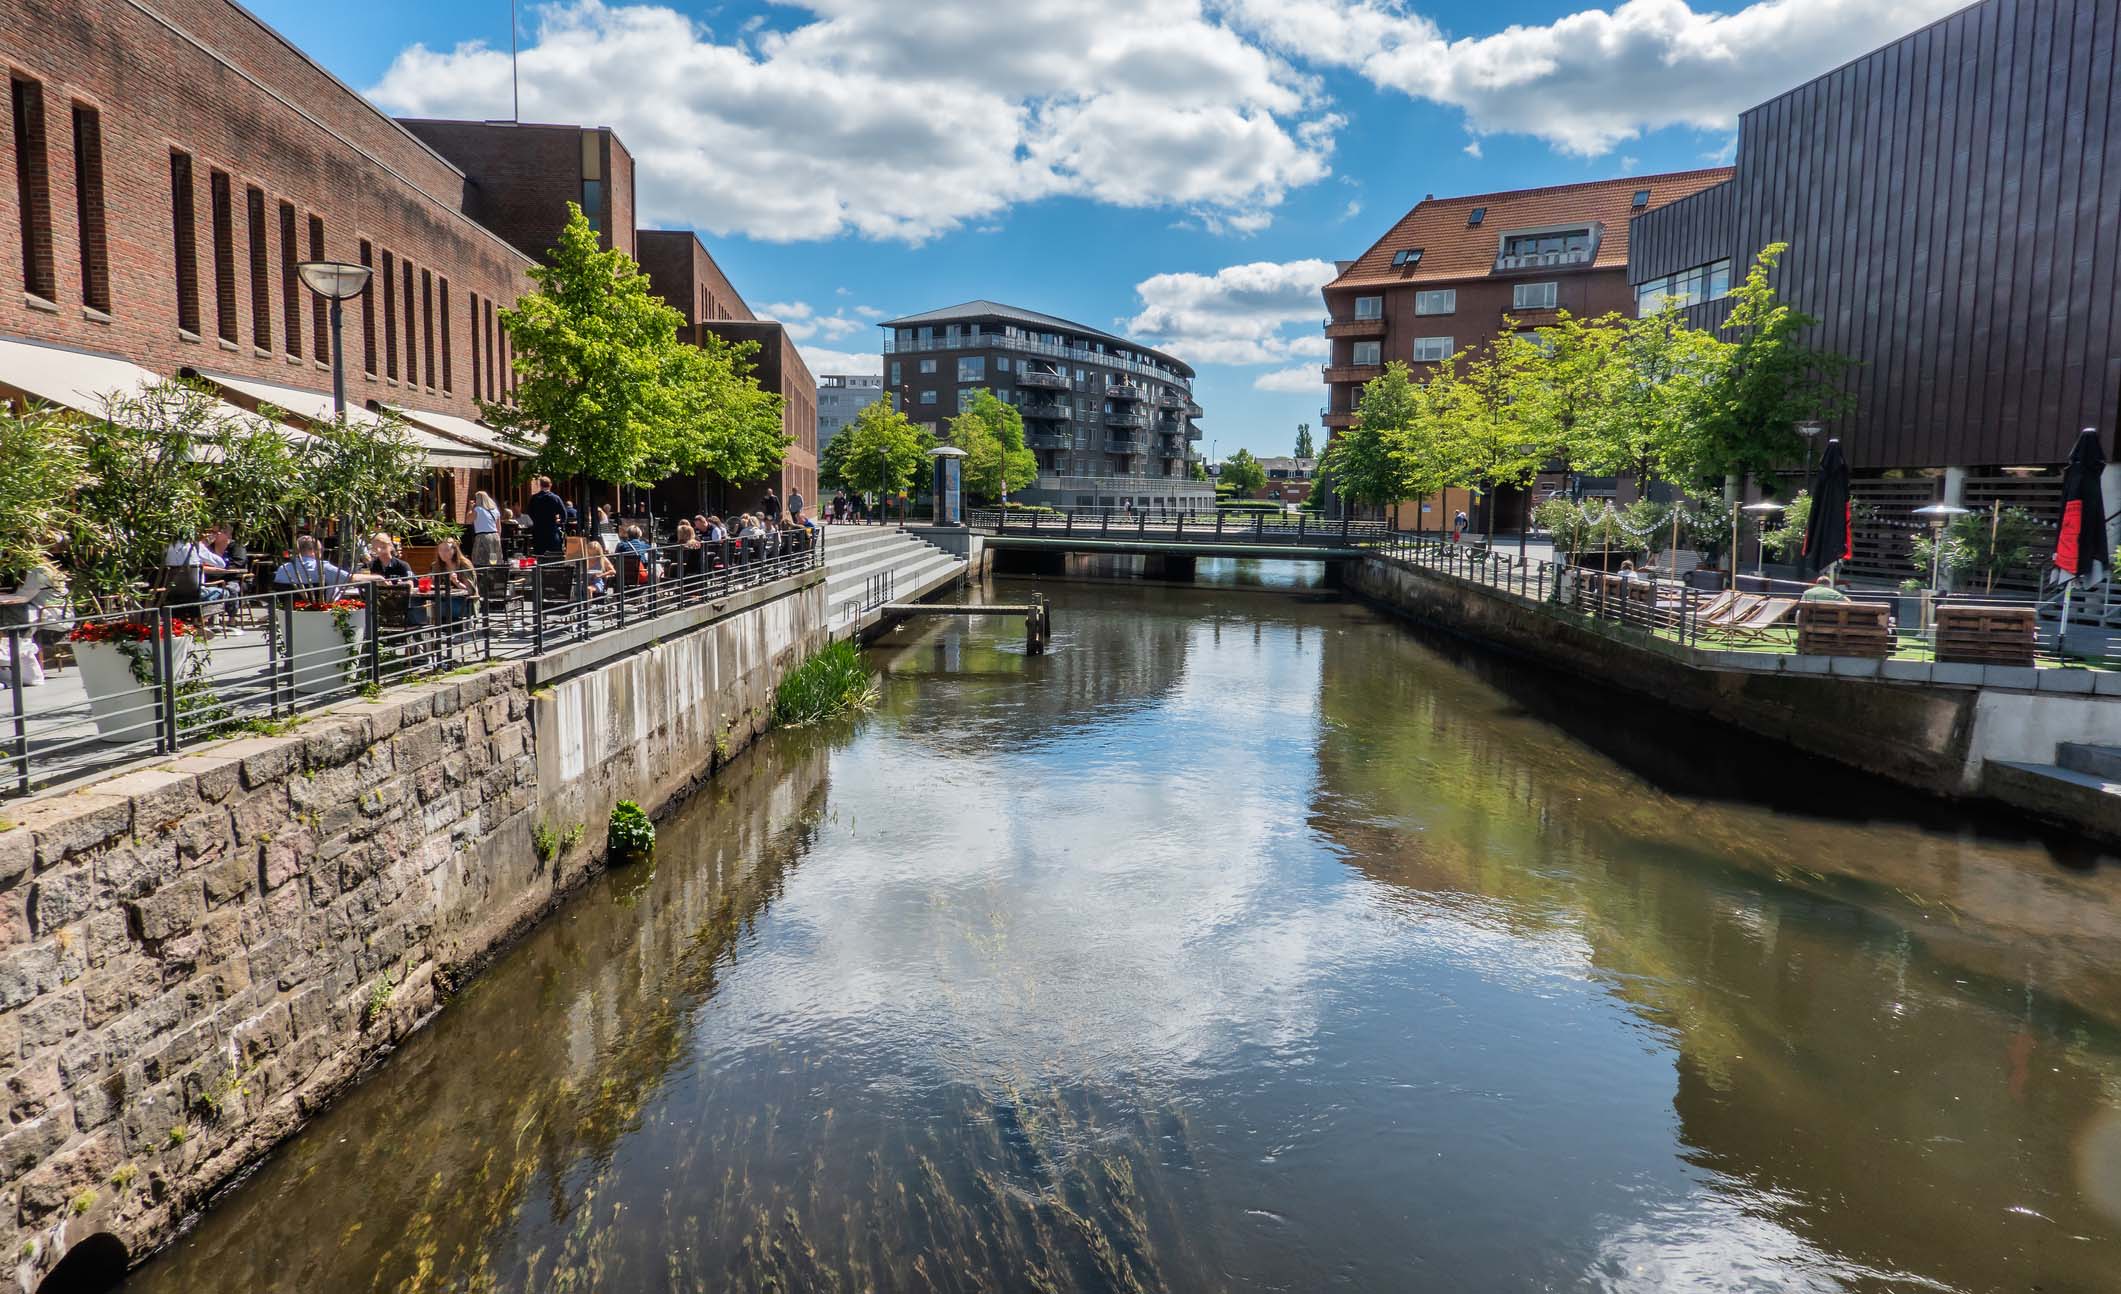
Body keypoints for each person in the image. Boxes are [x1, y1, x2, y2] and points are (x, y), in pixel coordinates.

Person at [366, 533, 428, 627]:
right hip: (380, 603)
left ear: (390, 547)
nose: (379, 550)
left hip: (400, 603)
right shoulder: (373, 565)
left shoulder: (402, 565)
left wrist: (396, 585)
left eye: (382, 547)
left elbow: (410, 583)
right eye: (376, 548)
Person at [272, 535, 355, 598]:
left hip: (288, 613)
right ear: (313, 551)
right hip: (322, 612)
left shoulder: (283, 569)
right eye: (320, 550)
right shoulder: (322, 567)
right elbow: (350, 579)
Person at [428, 538, 478, 642]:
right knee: (422, 606)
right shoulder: (436, 565)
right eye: (440, 550)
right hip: (442, 599)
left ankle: (440, 634)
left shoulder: (464, 564)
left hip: (464, 602)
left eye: (446, 550)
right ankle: (426, 637)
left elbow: (469, 590)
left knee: (434, 609)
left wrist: (455, 581)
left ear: (454, 550)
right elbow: (432, 585)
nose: (443, 553)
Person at [525, 476, 567, 556]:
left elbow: (529, 512)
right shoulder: (555, 498)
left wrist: (536, 520)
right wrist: (560, 522)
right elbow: (564, 514)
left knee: (539, 554)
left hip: (538, 531)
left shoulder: (534, 498)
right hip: (551, 530)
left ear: (540, 485)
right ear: (550, 485)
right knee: (554, 555)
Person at [469, 491, 503, 568]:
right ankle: (494, 574)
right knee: (494, 560)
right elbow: (499, 527)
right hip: (495, 536)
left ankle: (483, 577)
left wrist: (470, 509)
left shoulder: (478, 509)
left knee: (480, 559)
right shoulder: (495, 510)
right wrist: (498, 538)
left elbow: (468, 520)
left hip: (482, 536)